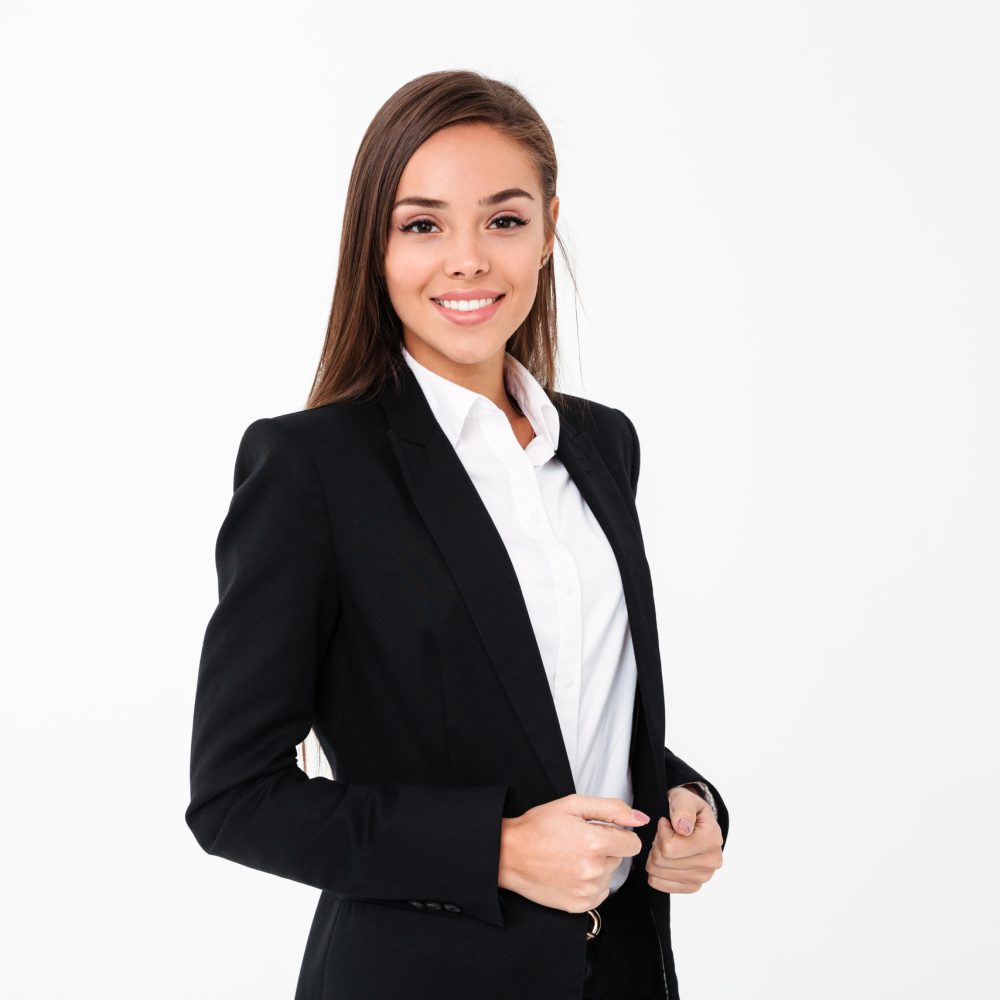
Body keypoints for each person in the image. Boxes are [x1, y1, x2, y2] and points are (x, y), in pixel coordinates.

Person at [185, 69, 730, 1000]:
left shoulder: (603, 444)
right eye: (424, 224)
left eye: (505, 220)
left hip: (624, 973)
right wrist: (496, 850)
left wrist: (687, 801)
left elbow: (559, 706)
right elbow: (236, 799)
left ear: (550, 228)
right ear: (375, 245)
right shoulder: (310, 468)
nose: (469, 259)